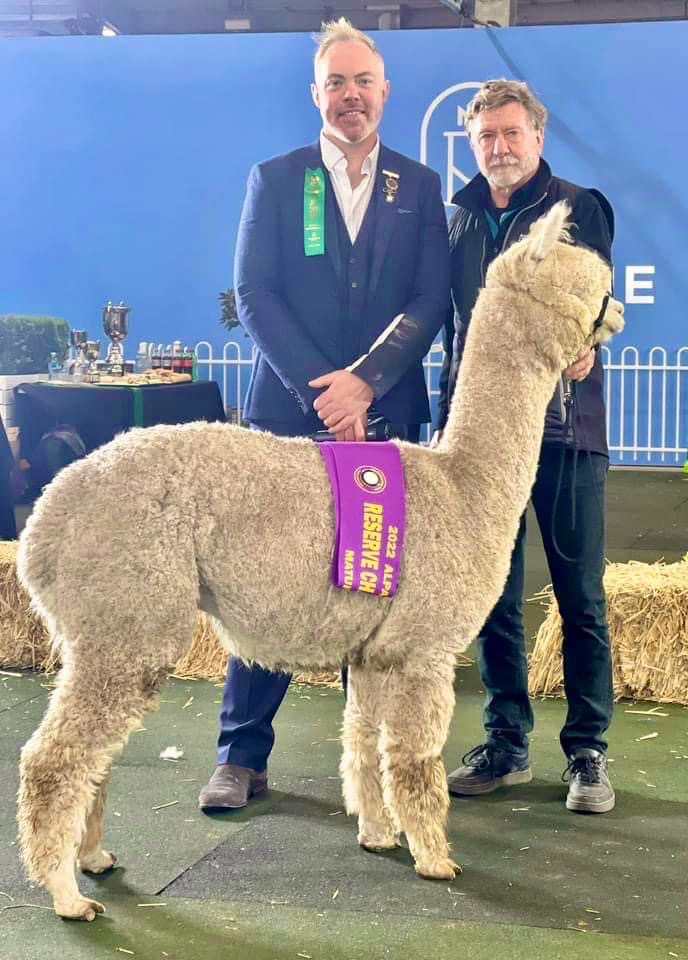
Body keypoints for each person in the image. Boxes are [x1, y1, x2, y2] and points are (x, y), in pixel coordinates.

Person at [198, 18, 450, 811]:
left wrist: (368, 383)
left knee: (372, 588)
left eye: (363, 81)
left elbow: (429, 298)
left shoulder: (420, 184)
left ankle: (366, 766)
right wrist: (322, 386)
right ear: (317, 93)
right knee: (265, 582)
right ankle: (241, 755)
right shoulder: (276, 179)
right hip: (288, 420)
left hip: (385, 419)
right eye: (336, 82)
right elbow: (254, 295)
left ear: (384, 92)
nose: (351, 95)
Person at [436, 79, 615, 814]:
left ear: (537, 136)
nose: (500, 148)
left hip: (565, 433)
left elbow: (588, 309)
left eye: (512, 134)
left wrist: (583, 348)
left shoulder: (579, 210)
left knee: (580, 598)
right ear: (472, 145)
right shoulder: (458, 217)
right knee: (493, 597)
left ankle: (588, 753)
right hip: (480, 445)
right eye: (486, 138)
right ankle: (506, 741)